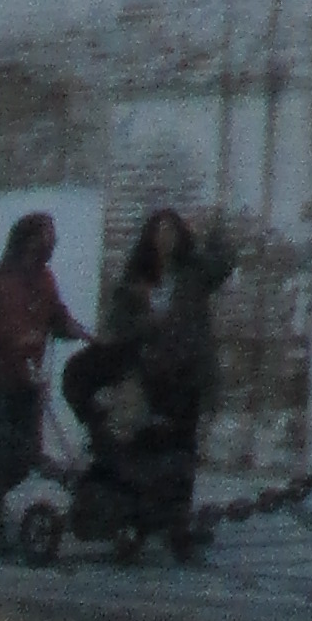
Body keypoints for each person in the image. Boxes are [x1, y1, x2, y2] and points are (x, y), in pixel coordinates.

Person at [100, 205, 238, 557]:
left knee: (182, 454)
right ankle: (137, 525)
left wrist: (216, 230)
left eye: (172, 232)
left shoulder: (192, 273)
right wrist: (147, 325)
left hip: (186, 376)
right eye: (160, 231)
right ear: (150, 237)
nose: (166, 238)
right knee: (146, 451)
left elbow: (222, 265)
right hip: (147, 378)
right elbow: (118, 326)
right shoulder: (136, 281)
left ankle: (178, 525)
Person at [0, 209, 84, 556]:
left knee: (23, 457)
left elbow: (56, 315)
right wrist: (15, 339)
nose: (53, 244)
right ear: (28, 240)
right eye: (47, 236)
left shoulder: (45, 279)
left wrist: (74, 330)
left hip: (28, 384)